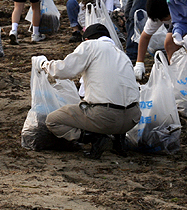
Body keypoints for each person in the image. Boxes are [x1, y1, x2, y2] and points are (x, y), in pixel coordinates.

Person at [35, 23, 141, 159]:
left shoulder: (90, 46)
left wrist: (44, 64)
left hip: (106, 117)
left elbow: (63, 70)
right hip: (132, 118)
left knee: (53, 120)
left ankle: (94, 137)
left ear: (86, 40)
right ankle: (118, 139)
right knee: (112, 98)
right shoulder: (121, 54)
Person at [133, 0, 179, 80]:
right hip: (177, 24)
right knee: (169, 43)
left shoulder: (181, 5)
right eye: (160, 20)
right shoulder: (157, 15)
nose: (162, 21)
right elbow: (145, 37)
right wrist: (139, 62)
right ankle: (175, 72)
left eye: (165, 19)